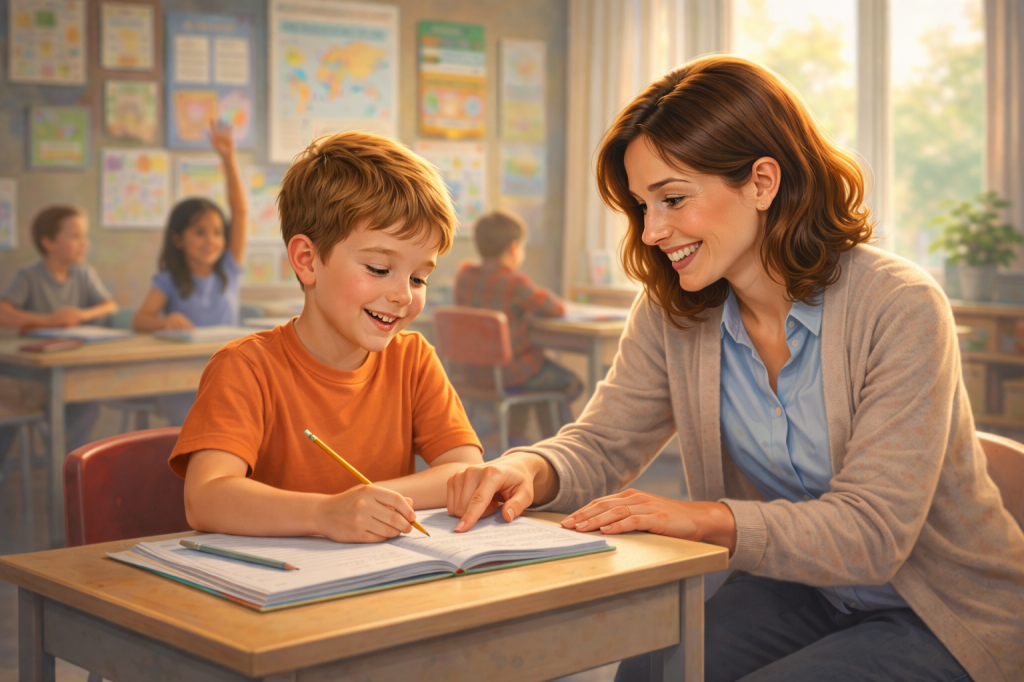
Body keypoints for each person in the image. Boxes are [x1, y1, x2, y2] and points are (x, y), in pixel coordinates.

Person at [446, 56, 1024, 682]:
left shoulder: (900, 305)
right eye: (642, 206)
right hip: (806, 587)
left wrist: (703, 518)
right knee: (652, 671)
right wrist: (529, 468)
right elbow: (604, 442)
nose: (652, 231)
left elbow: (873, 532)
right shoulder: (673, 311)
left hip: (941, 612)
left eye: (672, 199)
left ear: (762, 183)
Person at [170, 131, 484, 542]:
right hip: (278, 589)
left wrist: (367, 503)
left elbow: (465, 473)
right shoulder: (245, 367)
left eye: (419, 277)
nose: (403, 294)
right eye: (377, 268)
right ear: (307, 260)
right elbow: (206, 498)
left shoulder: (413, 359)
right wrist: (325, 513)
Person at [133, 120, 249, 425]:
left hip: (226, 374)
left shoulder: (228, 269)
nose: (211, 240)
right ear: (178, 239)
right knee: (200, 429)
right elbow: (140, 319)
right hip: (183, 379)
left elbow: (240, 213)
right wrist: (163, 321)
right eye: (200, 232)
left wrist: (228, 159)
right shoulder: (169, 280)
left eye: (217, 232)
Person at [454, 209, 582, 444]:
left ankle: (517, 440)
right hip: (510, 375)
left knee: (534, 384)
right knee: (566, 383)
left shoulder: (465, 276)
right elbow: (554, 309)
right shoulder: (513, 282)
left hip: (472, 373)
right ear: (514, 248)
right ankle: (565, 447)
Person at [0, 205, 118, 457]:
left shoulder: (83, 273)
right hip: (33, 374)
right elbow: (3, 312)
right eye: (75, 236)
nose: (83, 243)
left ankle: (68, 463)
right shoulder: (28, 276)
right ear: (48, 242)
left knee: (88, 402)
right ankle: (58, 460)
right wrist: (49, 320)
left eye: (84, 236)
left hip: (71, 368)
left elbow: (109, 304)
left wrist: (80, 315)